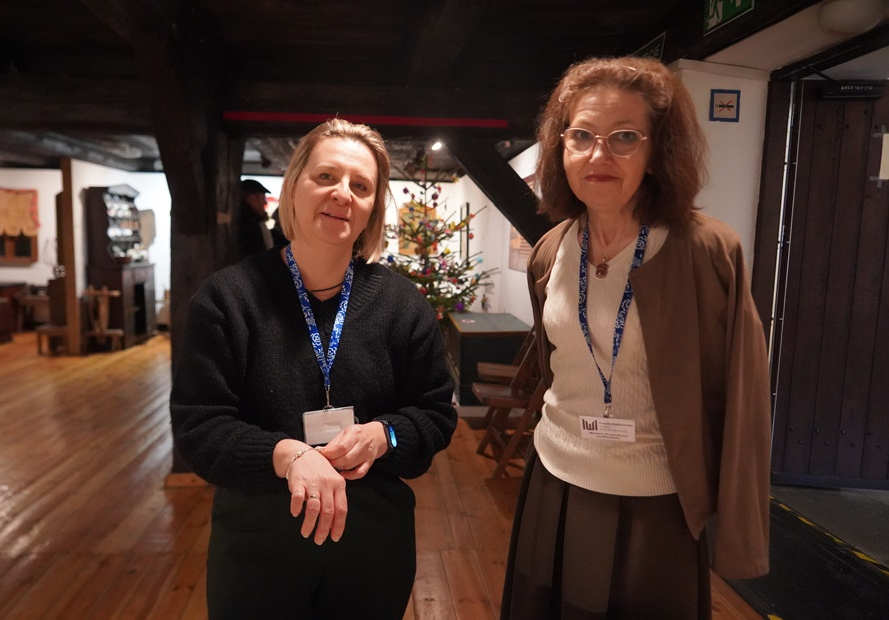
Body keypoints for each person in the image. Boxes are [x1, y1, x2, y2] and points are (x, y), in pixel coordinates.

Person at [501, 56, 771, 619]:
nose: (598, 155)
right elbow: (556, 370)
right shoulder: (551, 250)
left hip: (658, 502)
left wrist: (739, 532)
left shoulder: (706, 250)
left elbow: (744, 398)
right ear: (560, 148)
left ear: (657, 151)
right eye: (582, 136)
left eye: (624, 137)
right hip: (554, 482)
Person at [171, 118, 457, 619]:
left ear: (371, 209)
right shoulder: (227, 299)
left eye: (360, 186)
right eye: (326, 176)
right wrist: (285, 454)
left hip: (372, 547)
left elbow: (435, 414)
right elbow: (200, 426)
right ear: (293, 188)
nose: (342, 193)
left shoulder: (401, 304)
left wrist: (384, 435)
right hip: (258, 546)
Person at [238, 178, 275, 257]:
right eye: (263, 198)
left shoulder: (253, 220)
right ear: (251, 197)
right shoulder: (249, 223)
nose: (265, 202)